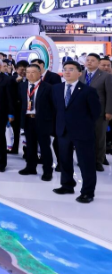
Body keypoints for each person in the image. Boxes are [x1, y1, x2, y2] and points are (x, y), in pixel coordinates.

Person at [52, 61, 101, 203]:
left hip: (82, 132)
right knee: (64, 160)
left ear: (79, 73)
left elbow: (95, 112)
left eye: (71, 69)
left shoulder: (88, 91)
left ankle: (87, 192)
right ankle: (67, 185)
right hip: (63, 130)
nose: (67, 72)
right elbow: (57, 109)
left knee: (86, 163)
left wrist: (83, 124)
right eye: (65, 69)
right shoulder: (57, 88)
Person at [18, 64, 55, 180]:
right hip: (28, 119)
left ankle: (47, 170)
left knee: (44, 146)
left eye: (33, 72)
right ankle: (30, 167)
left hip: (43, 121)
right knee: (30, 145)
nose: (30, 74)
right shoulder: (22, 86)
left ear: (40, 73)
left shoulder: (48, 87)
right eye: (28, 72)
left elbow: (53, 106)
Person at [80, 53, 112, 171]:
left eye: (92, 60)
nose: (89, 62)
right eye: (87, 60)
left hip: (99, 112)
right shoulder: (80, 74)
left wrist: (109, 111)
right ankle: (84, 160)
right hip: (82, 112)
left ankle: (98, 161)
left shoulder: (106, 76)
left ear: (98, 63)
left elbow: (110, 94)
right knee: (83, 137)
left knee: (99, 137)